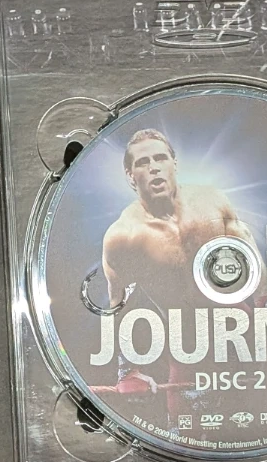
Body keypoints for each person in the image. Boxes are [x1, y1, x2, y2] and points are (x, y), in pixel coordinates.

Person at [98, 128, 255, 428]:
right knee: (184, 439)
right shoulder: (123, 236)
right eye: (143, 162)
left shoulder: (212, 202)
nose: (154, 167)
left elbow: (254, 262)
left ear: (174, 164)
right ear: (130, 176)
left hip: (244, 330)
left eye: (160, 158)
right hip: (186, 348)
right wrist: (127, 370)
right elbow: (118, 305)